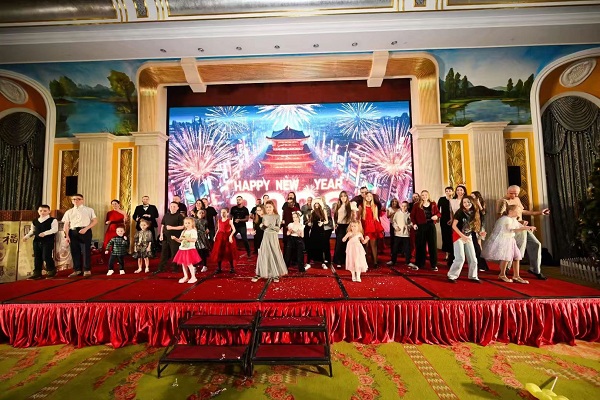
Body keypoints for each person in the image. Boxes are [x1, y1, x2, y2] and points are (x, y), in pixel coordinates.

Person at [497, 185, 550, 280]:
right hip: (513, 228)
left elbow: (522, 211)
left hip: (522, 227)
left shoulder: (517, 199)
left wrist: (539, 212)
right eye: (511, 193)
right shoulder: (502, 201)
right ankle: (507, 269)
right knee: (517, 249)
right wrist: (519, 222)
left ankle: (535, 269)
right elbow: (501, 218)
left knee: (536, 244)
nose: (513, 196)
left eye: (516, 194)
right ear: (507, 191)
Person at [484, 204, 536, 284]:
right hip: (506, 240)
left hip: (511, 240)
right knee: (506, 257)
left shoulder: (513, 219)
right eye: (518, 210)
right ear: (511, 211)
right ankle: (502, 274)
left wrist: (528, 227)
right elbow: (511, 229)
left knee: (517, 257)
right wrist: (525, 228)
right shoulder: (506, 219)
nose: (519, 212)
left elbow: (518, 227)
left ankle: (516, 276)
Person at [447, 197, 485, 284]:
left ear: (472, 202)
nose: (466, 204)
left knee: (473, 258)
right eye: (464, 202)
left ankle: (473, 276)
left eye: (468, 202)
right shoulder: (460, 212)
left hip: (468, 236)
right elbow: (454, 226)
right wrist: (462, 236)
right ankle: (452, 275)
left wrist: (479, 233)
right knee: (460, 258)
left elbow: (474, 226)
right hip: (458, 236)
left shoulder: (474, 213)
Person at [62, 194, 98, 277]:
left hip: (85, 230)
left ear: (82, 200)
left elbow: (95, 221)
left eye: (78, 199)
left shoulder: (89, 210)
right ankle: (77, 270)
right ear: (72, 201)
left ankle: (87, 269)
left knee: (86, 251)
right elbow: (66, 225)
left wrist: (86, 228)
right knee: (74, 251)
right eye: (74, 199)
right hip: (73, 231)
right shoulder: (69, 212)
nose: (76, 200)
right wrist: (67, 236)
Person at [252, 200, 288, 282]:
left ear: (273, 207)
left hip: (273, 236)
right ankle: (261, 273)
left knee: (275, 253)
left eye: (270, 207)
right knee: (264, 254)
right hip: (266, 236)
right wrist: (262, 226)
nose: (268, 208)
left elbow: (278, 229)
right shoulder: (264, 216)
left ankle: (276, 275)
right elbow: (264, 228)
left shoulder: (277, 216)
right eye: (267, 207)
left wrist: (270, 226)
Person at [22, 204, 58, 279]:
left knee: (46, 256)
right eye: (41, 211)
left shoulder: (52, 220)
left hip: (48, 240)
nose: (42, 212)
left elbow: (54, 229)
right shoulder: (35, 221)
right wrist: (26, 237)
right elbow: (32, 231)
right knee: (37, 257)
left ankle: (51, 270)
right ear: (38, 211)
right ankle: (37, 273)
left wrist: (45, 233)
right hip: (37, 240)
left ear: (49, 211)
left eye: (45, 211)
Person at [410, 190, 440, 271]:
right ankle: (419, 263)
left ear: (428, 195)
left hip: (430, 226)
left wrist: (436, 216)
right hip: (421, 226)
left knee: (432, 245)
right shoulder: (417, 205)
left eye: (426, 195)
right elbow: (412, 216)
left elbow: (438, 213)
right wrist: (414, 224)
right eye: (422, 195)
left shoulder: (433, 204)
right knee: (420, 245)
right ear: (421, 196)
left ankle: (434, 265)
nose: (424, 196)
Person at [155, 202, 184, 274]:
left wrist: (172, 228)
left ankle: (175, 268)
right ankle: (161, 268)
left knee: (174, 253)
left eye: (174, 206)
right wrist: (161, 234)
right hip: (165, 237)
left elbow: (182, 227)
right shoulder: (166, 215)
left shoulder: (179, 216)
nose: (172, 208)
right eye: (171, 206)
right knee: (164, 253)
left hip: (175, 237)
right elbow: (162, 225)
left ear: (177, 208)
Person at [172, 217, 202, 284]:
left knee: (189, 264)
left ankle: (193, 277)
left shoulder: (193, 231)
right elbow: (180, 241)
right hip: (182, 249)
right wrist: (175, 238)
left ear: (192, 224)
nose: (187, 224)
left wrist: (187, 238)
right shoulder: (183, 231)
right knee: (183, 264)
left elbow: (194, 240)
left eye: (189, 223)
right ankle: (186, 276)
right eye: (186, 223)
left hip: (189, 249)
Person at [388, 201, 416, 268]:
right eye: (402, 206)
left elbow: (411, 223)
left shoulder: (409, 214)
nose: (403, 207)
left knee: (407, 248)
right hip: (397, 234)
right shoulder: (397, 213)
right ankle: (393, 260)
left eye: (405, 206)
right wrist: (396, 227)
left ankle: (408, 261)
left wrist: (408, 226)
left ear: (407, 207)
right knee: (395, 248)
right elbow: (394, 221)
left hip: (406, 234)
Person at [360, 192, 384, 268]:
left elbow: (376, 218)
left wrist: (379, 228)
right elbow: (360, 218)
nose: (369, 197)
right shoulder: (361, 206)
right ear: (365, 197)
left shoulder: (375, 206)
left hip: (372, 227)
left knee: (373, 245)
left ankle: (375, 262)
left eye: (370, 196)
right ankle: (366, 262)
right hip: (364, 227)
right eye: (367, 196)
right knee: (366, 246)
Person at [306, 198, 330, 269]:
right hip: (313, 230)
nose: (316, 205)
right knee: (311, 246)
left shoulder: (323, 211)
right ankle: (308, 262)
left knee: (321, 246)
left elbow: (327, 221)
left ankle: (322, 262)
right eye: (315, 203)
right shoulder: (312, 211)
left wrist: (322, 223)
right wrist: (309, 223)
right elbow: (310, 221)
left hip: (320, 230)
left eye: (317, 203)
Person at [211, 208, 237, 273]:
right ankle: (219, 268)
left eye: (224, 212)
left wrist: (230, 236)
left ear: (227, 213)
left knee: (229, 252)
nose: (223, 214)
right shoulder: (219, 221)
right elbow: (218, 229)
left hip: (227, 237)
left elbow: (234, 230)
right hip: (220, 237)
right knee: (219, 251)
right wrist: (215, 236)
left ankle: (232, 267)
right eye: (221, 212)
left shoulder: (229, 221)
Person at [332, 191, 352, 269]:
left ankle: (345, 261)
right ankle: (338, 261)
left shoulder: (350, 205)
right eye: (342, 196)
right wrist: (336, 224)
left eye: (344, 196)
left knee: (346, 244)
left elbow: (352, 216)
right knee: (339, 244)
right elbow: (335, 216)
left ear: (347, 197)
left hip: (347, 226)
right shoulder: (338, 205)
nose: (343, 198)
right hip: (339, 226)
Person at [470, 191, 489, 271]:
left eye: (473, 196)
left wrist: (478, 203)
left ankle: (481, 263)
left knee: (478, 244)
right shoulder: (470, 204)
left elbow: (484, 212)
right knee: (475, 244)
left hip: (479, 226)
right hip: (472, 226)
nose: (471, 198)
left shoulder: (481, 203)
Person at [438, 186, 454, 259]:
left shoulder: (454, 199)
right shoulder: (442, 199)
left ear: (452, 192)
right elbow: (438, 209)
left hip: (454, 220)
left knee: (452, 236)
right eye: (446, 191)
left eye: (449, 191)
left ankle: (453, 253)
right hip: (444, 219)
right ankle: (447, 253)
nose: (448, 192)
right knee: (445, 236)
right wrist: (438, 217)